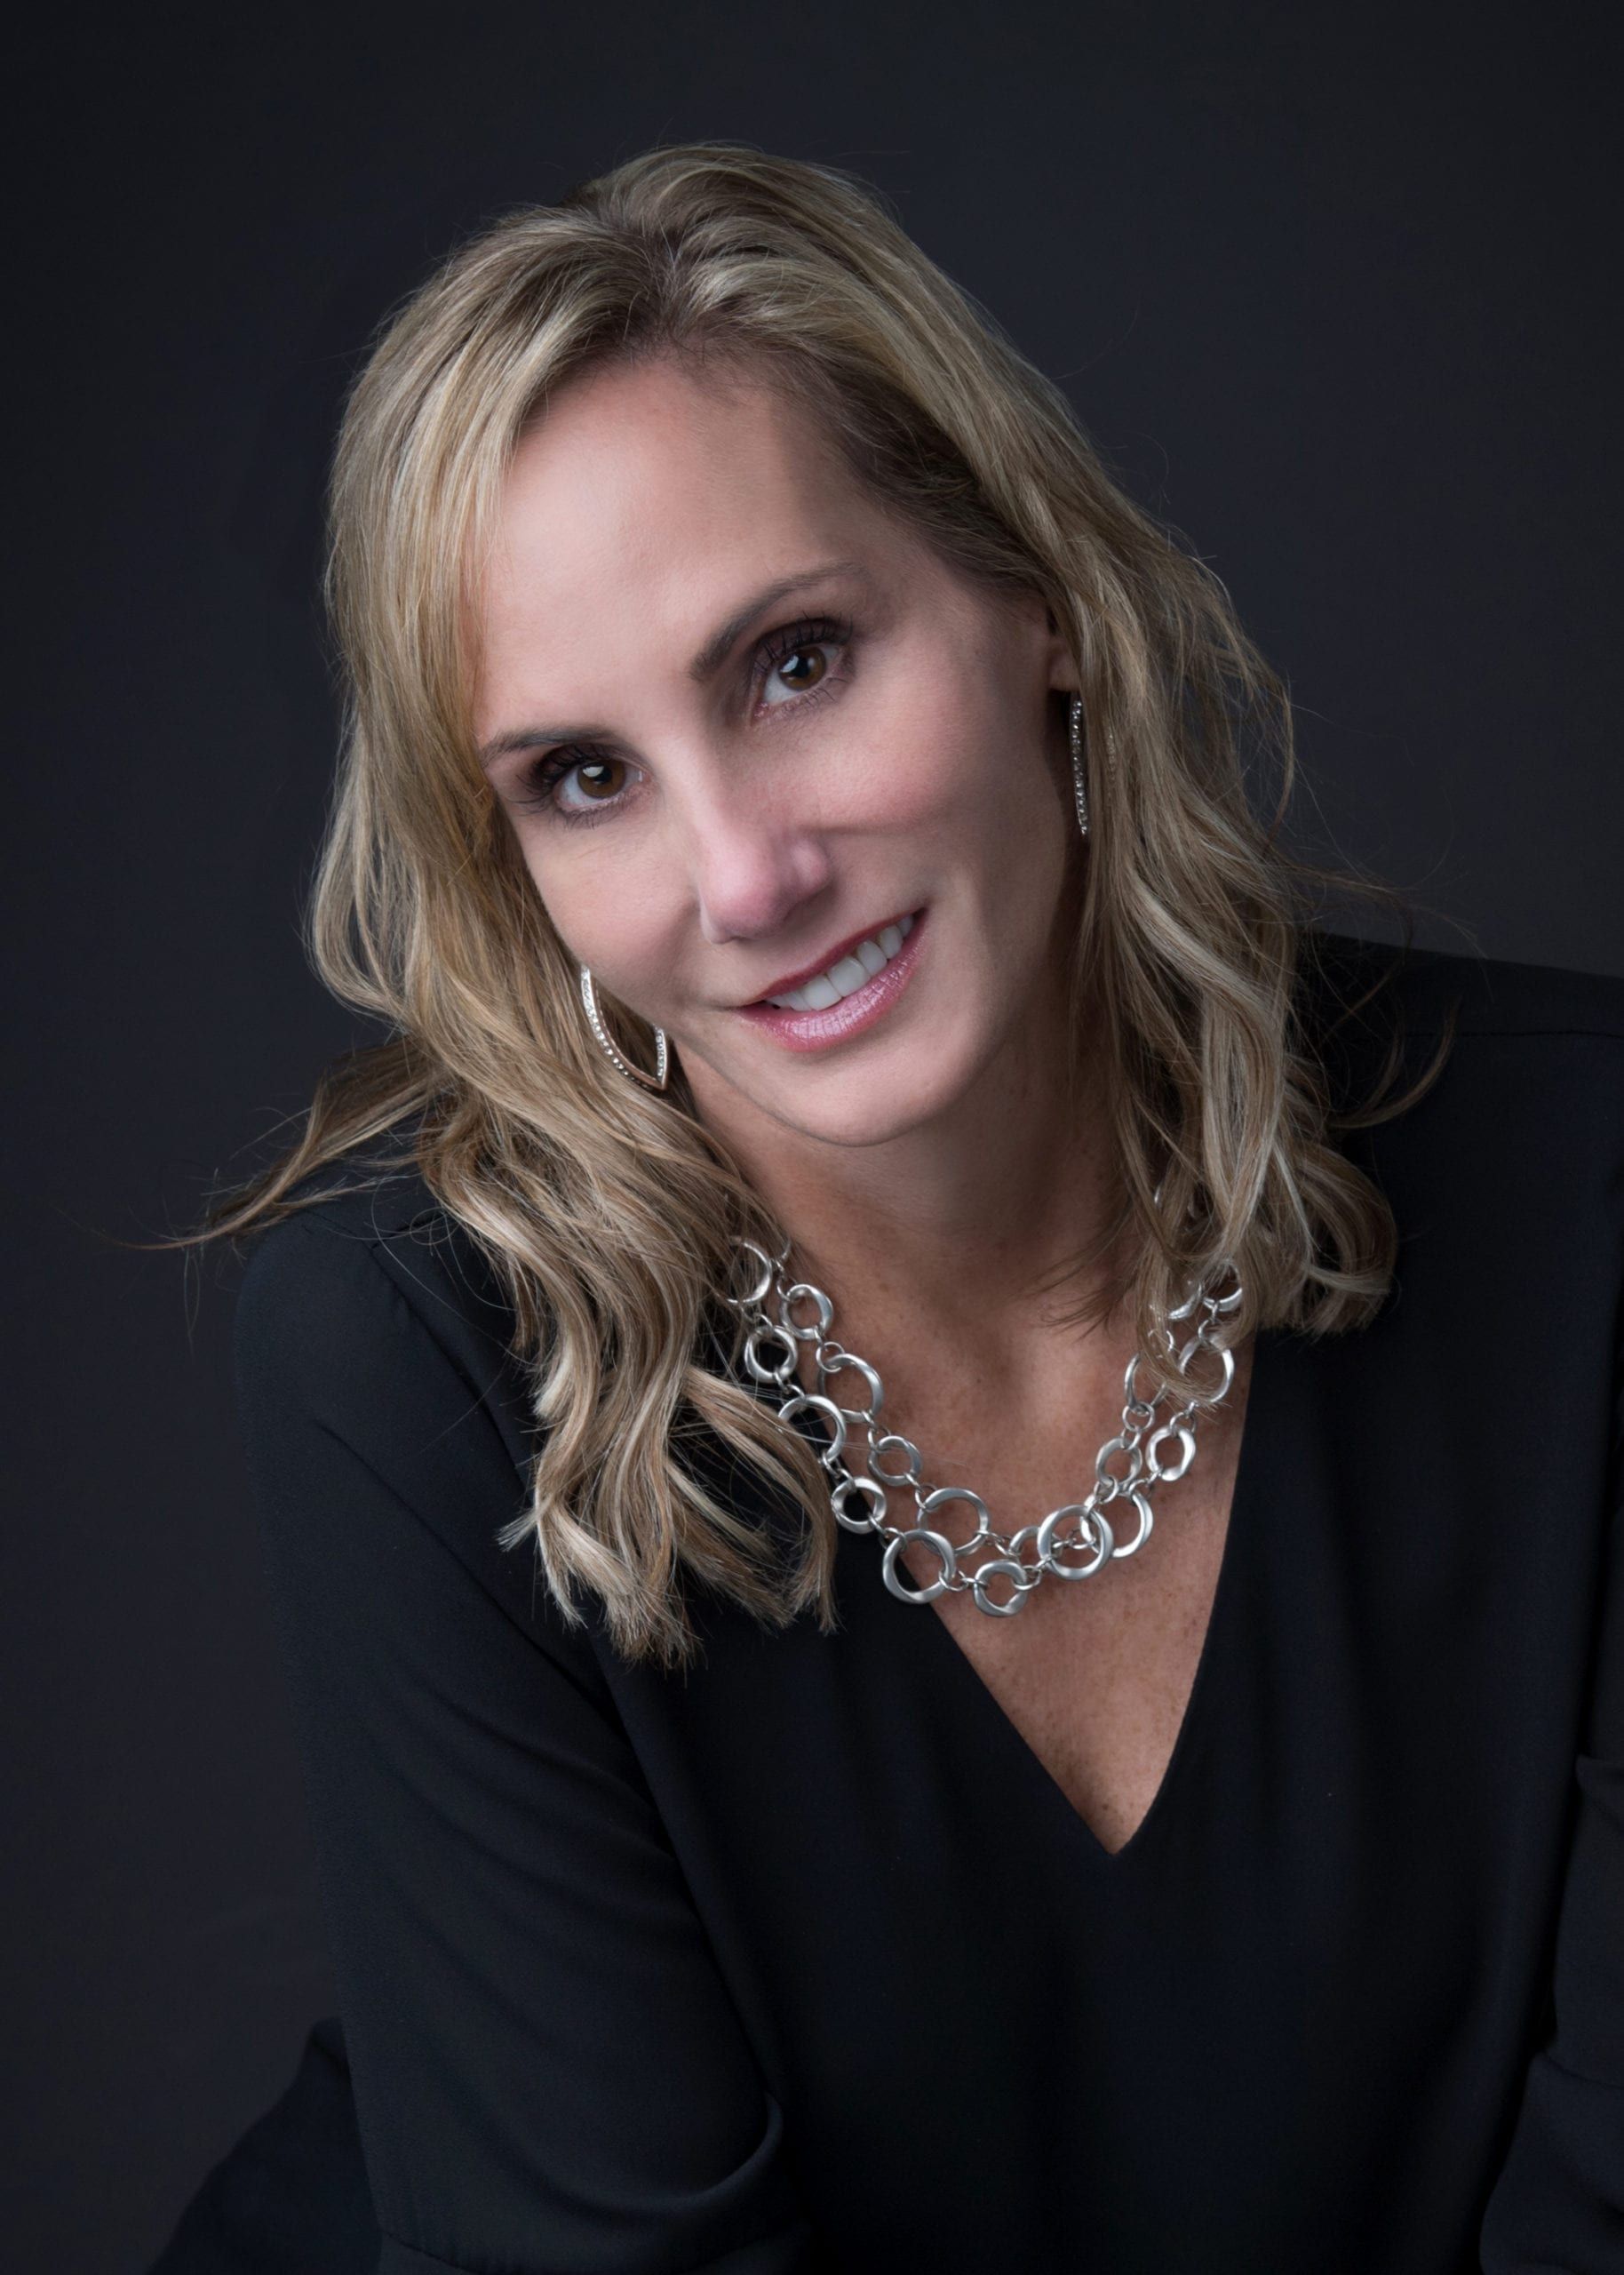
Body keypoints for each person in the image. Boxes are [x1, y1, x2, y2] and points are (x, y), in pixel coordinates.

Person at [147, 141, 1624, 2273]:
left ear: (1031, 602)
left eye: (796, 660)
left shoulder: (1575, 1197)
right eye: (582, 775)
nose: (741, 875)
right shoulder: (416, 1358)